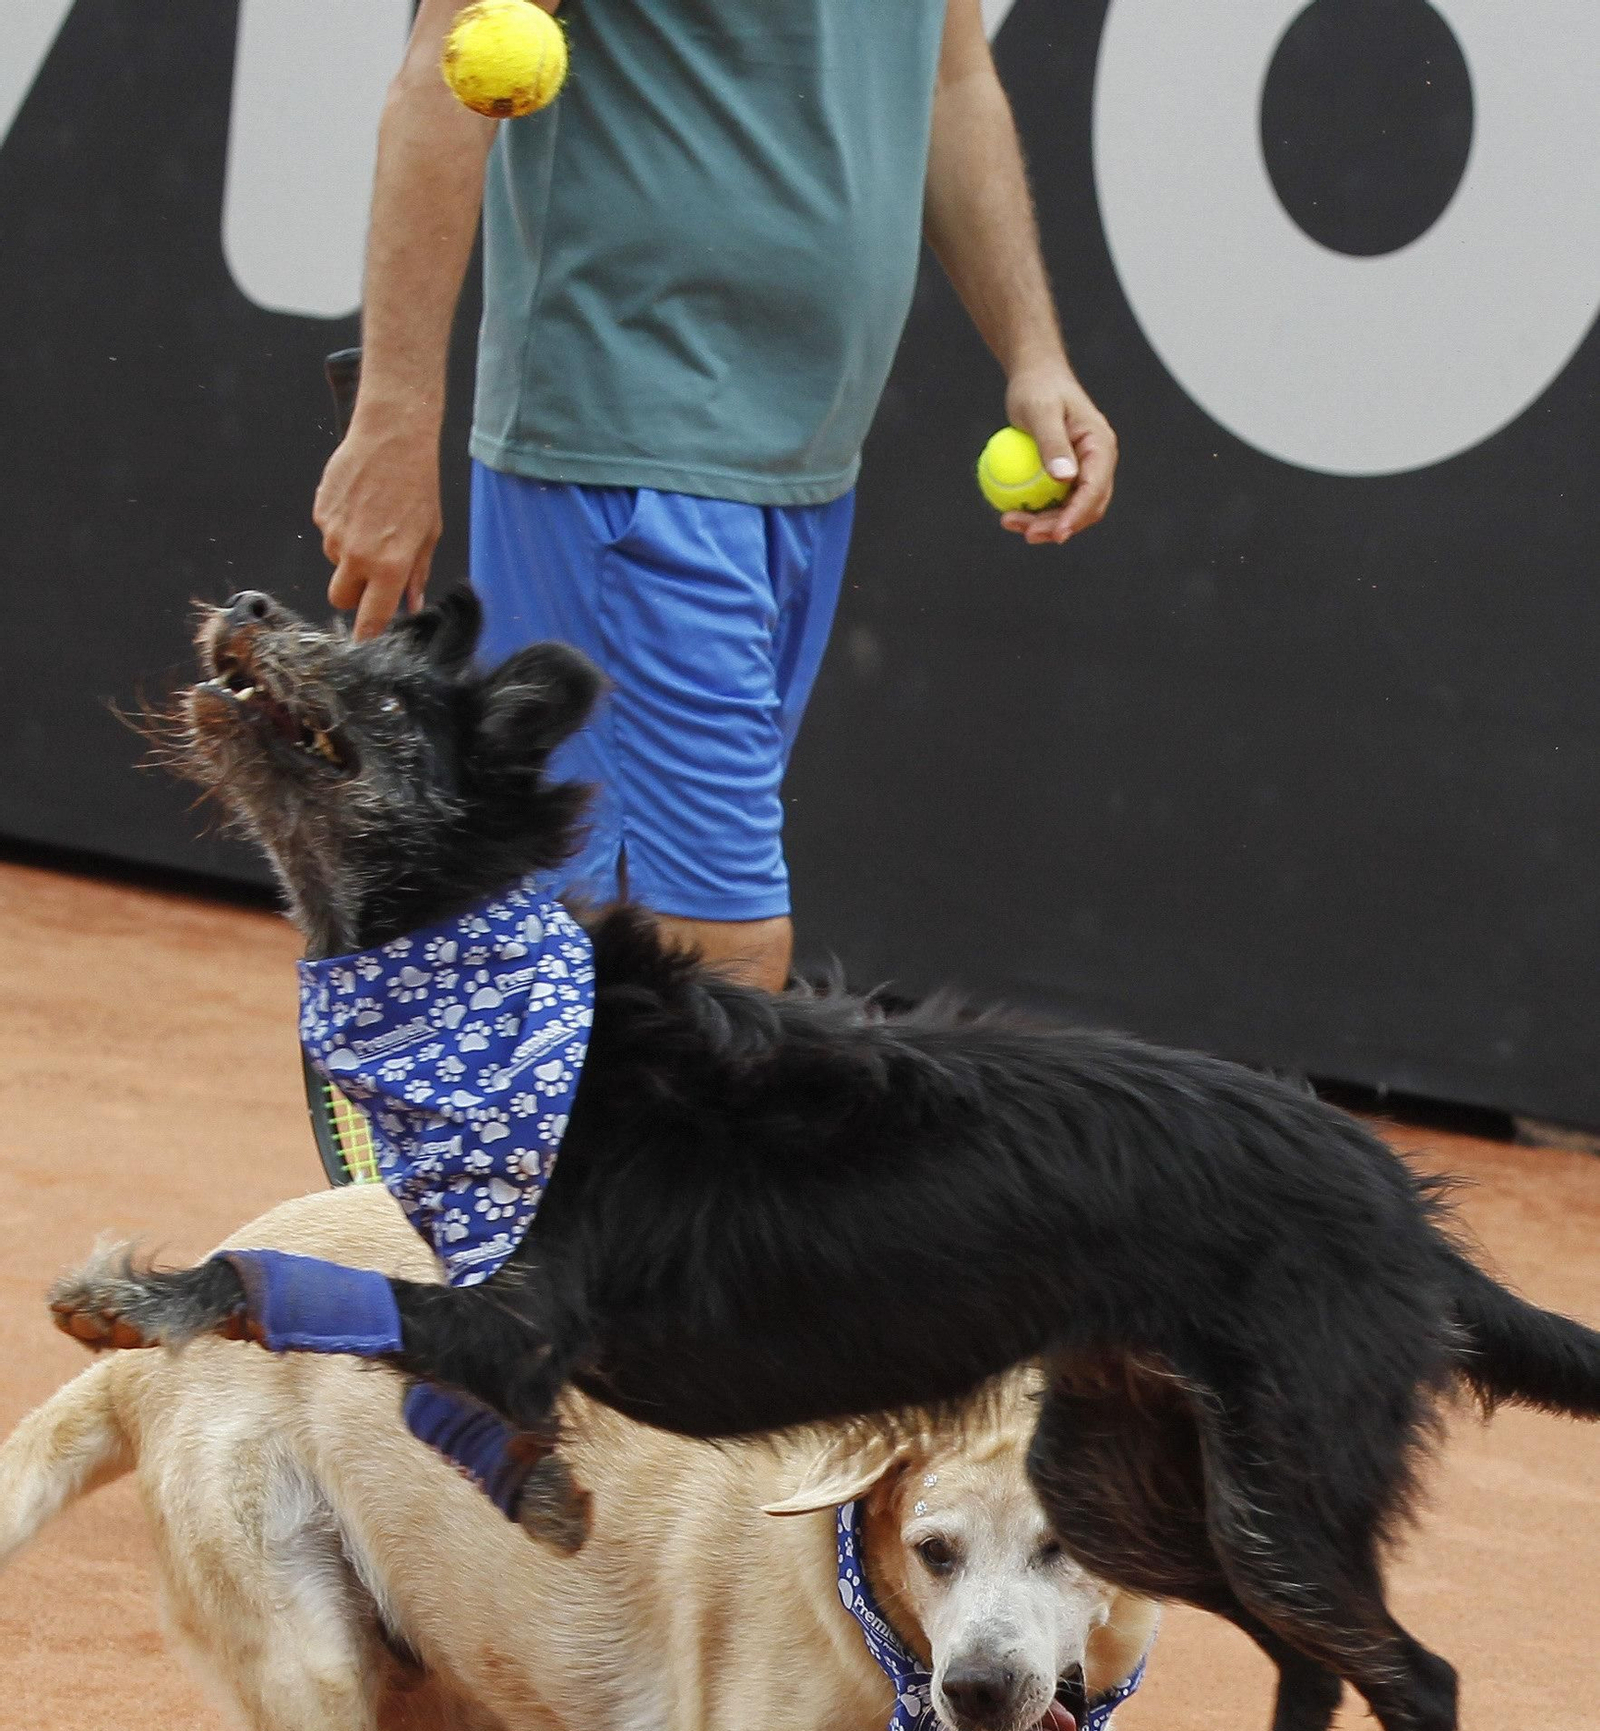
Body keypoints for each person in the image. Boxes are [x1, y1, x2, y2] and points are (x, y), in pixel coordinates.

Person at [314, 0, 1117, 992]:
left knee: (611, 943)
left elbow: (950, 86)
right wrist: (393, 417)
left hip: (804, 470)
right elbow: (443, 80)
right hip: (621, 450)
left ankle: (521, 1141)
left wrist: (1032, 350)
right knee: (712, 953)